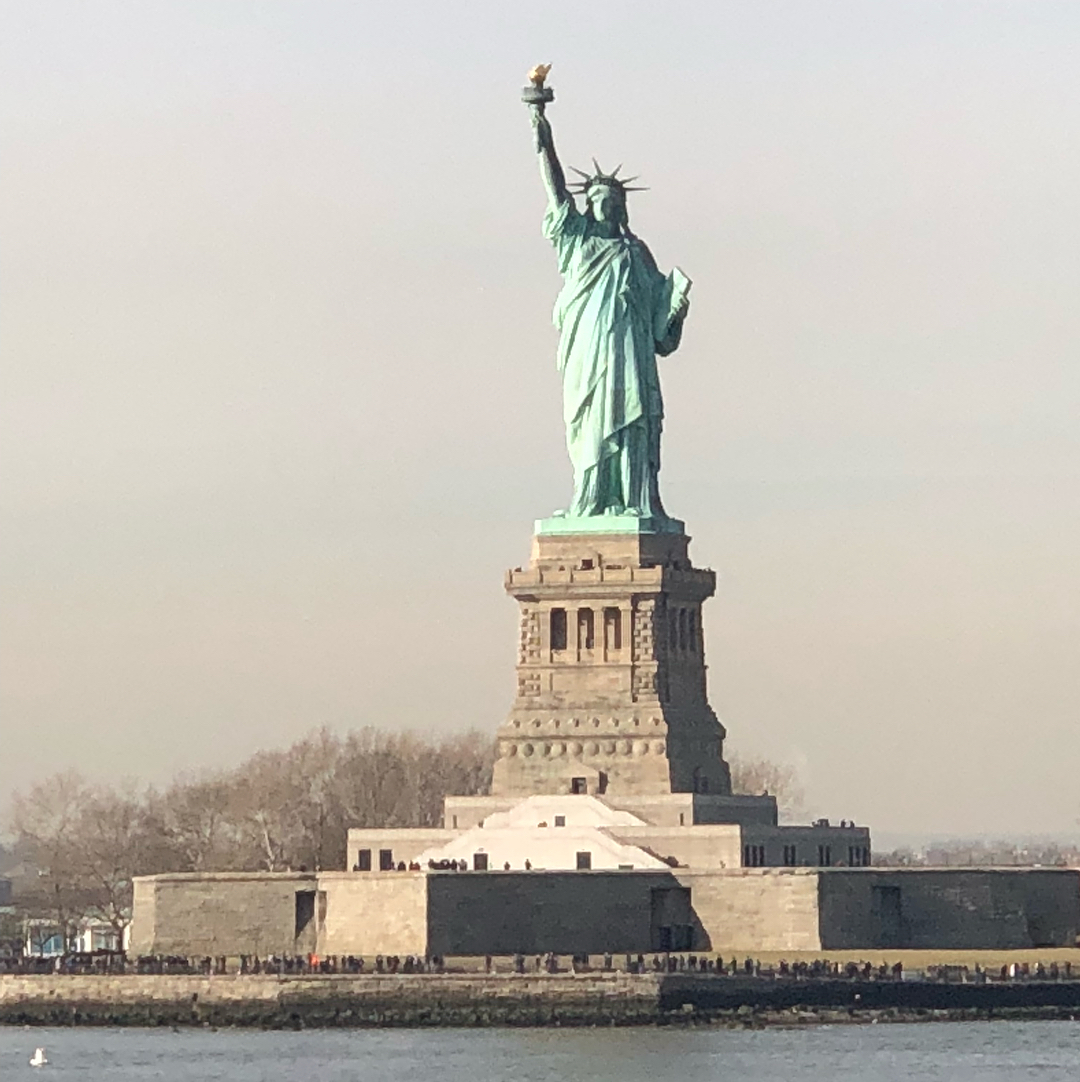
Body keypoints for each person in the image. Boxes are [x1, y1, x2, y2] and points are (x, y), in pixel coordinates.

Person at [526, 88, 690, 523]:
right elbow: (555, 187)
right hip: (589, 349)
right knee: (590, 423)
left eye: (612, 203)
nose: (605, 208)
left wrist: (675, 306)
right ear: (588, 206)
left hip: (630, 351)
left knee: (634, 420)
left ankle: (634, 500)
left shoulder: (637, 253)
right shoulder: (576, 239)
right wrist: (540, 125)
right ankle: (592, 499)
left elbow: (661, 331)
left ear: (622, 208)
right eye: (597, 202)